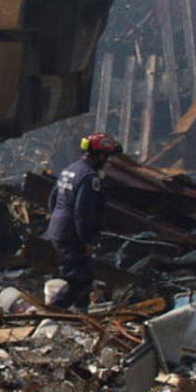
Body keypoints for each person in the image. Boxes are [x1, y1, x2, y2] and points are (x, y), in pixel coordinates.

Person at [45, 132, 120, 310]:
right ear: (100, 155)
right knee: (81, 280)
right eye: (107, 156)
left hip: (58, 230)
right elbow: (83, 213)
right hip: (73, 235)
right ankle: (55, 311)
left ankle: (81, 315)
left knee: (82, 274)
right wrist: (88, 240)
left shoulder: (70, 169)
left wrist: (57, 223)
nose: (107, 161)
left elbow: (52, 200)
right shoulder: (89, 177)